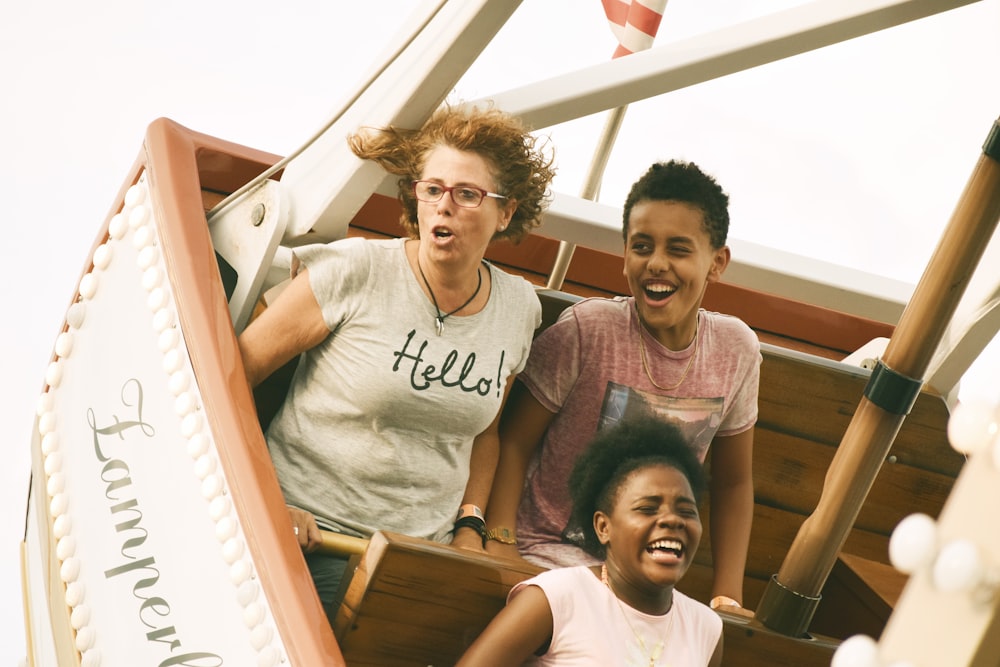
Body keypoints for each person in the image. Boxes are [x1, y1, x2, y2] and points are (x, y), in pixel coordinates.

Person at [238, 104, 556, 615]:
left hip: (418, 560)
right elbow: (230, 376)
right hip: (308, 536)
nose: (443, 206)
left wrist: (470, 526)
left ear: (507, 212)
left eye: (467, 194)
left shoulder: (519, 308)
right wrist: (265, 496)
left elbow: (486, 432)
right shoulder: (357, 269)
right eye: (432, 189)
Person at [484, 160, 760, 611]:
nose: (657, 263)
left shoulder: (736, 351)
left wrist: (727, 595)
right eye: (642, 246)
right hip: (549, 562)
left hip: (645, 584)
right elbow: (513, 441)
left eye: (679, 249)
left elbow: (733, 482)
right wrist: (501, 545)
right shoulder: (588, 330)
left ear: (717, 262)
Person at [459, 417, 724, 666]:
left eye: (687, 512)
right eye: (648, 508)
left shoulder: (707, 628)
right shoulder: (556, 598)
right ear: (603, 527)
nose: (672, 521)